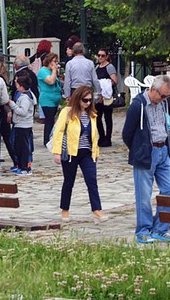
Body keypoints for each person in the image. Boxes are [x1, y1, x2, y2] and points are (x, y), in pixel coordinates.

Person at [122, 74, 170, 244]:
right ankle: (143, 230)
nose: (164, 99)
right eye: (162, 96)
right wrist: (140, 149)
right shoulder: (138, 105)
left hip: (163, 151)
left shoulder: (163, 104)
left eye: (167, 96)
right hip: (147, 152)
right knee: (144, 194)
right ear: (153, 89)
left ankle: (160, 229)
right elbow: (126, 134)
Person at [51, 85, 106, 224]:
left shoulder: (91, 114)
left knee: (92, 180)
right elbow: (58, 132)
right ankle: (65, 209)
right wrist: (57, 152)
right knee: (69, 182)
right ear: (78, 99)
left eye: (90, 100)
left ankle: (97, 210)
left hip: (87, 152)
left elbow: (94, 136)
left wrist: (96, 152)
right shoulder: (67, 112)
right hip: (70, 152)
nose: (87, 103)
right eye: (85, 100)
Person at [9, 73, 36, 175]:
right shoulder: (29, 95)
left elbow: (23, 112)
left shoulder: (25, 98)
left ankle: (25, 167)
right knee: (18, 146)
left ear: (21, 86)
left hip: (23, 125)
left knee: (23, 147)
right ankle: (20, 165)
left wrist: (12, 105)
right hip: (22, 124)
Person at [95, 49, 118, 147]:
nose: (100, 57)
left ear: (107, 56)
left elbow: (115, 81)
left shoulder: (110, 67)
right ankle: (102, 136)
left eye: (102, 55)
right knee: (97, 117)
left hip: (108, 95)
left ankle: (108, 138)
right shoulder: (97, 67)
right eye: (99, 55)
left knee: (108, 117)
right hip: (99, 95)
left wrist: (105, 83)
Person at [37, 52, 62, 145]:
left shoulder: (52, 71)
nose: (56, 63)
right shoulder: (43, 71)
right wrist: (54, 70)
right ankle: (47, 140)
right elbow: (51, 81)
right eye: (54, 61)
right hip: (47, 99)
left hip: (55, 98)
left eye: (57, 61)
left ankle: (51, 137)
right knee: (49, 120)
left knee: (52, 120)